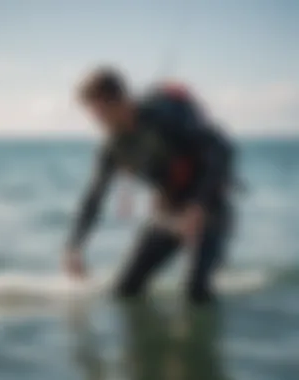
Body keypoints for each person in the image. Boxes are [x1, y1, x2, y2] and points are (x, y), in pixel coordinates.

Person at [64, 66, 234, 305]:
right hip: (169, 212)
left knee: (195, 291)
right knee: (125, 290)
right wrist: (75, 246)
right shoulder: (113, 148)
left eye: (99, 112)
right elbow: (94, 197)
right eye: (92, 114)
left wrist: (198, 206)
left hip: (210, 207)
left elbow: (221, 149)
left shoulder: (164, 117)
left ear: (119, 101)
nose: (96, 121)